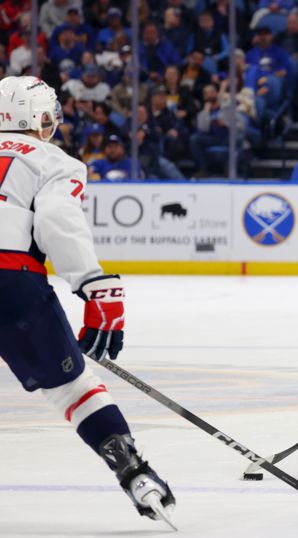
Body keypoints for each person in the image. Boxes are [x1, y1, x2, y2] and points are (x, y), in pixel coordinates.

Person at [0, 77, 175, 526]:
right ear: (41, 119)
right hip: (11, 282)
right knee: (72, 388)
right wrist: (95, 286)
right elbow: (59, 222)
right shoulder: (52, 160)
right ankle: (136, 475)